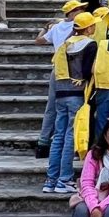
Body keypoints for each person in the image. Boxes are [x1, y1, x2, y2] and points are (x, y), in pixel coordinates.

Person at [42, 12, 98, 193]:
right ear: (88, 28)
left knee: (58, 135)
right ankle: (65, 179)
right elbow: (88, 71)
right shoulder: (90, 44)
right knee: (69, 137)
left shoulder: (66, 44)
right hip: (77, 93)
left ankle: (51, 179)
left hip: (60, 92)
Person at [34, 0, 88, 158]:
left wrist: (45, 27)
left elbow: (39, 40)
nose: (82, 11)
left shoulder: (56, 27)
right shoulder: (77, 27)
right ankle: (72, 145)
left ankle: (43, 142)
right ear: (71, 12)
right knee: (73, 108)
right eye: (79, 9)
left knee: (51, 107)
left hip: (57, 69)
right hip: (73, 69)